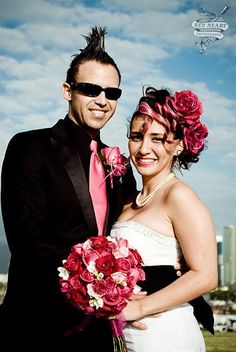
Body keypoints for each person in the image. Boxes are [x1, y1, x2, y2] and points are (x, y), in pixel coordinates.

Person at [0, 26, 137, 351]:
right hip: (36, 326)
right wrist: (93, 288)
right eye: (91, 89)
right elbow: (27, 239)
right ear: (67, 90)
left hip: (98, 335)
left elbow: (132, 236)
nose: (102, 101)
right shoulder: (29, 147)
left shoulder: (120, 168)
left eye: (112, 93)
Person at [110, 86, 218, 352]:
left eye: (157, 139)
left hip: (167, 335)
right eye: (137, 136)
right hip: (131, 338)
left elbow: (206, 276)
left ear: (179, 144)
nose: (144, 148)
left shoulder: (179, 196)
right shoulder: (127, 200)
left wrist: (138, 307)